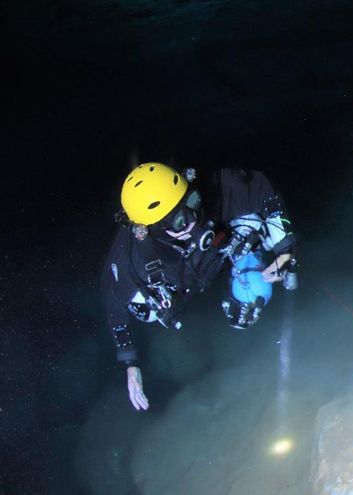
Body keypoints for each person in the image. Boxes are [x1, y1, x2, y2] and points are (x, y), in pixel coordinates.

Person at [101, 163, 297, 411]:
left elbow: (260, 188)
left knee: (256, 288)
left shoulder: (213, 189)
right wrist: (130, 363)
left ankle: (247, 264)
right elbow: (114, 308)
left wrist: (285, 248)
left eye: (192, 202)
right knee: (145, 312)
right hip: (177, 283)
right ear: (151, 230)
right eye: (180, 219)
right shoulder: (130, 262)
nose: (194, 219)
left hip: (218, 252)